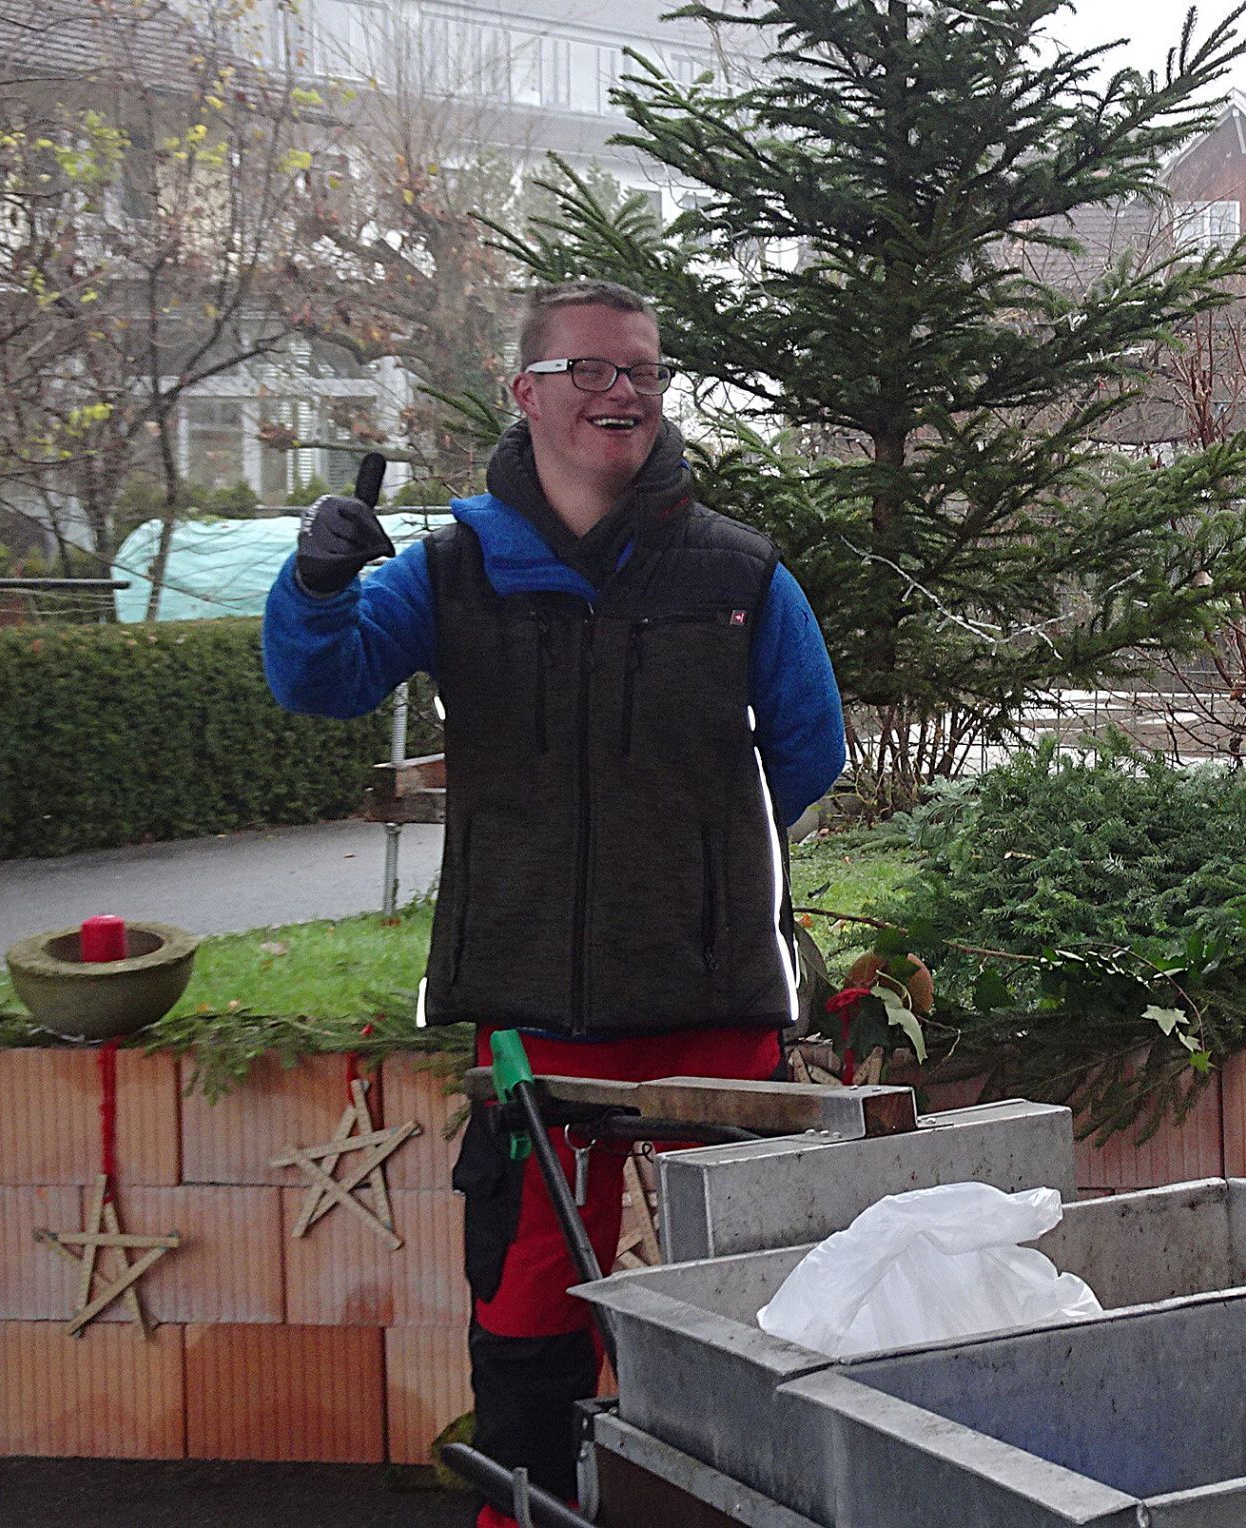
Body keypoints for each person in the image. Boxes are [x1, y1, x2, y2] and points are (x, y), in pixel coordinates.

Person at [262, 279, 845, 1523]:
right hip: (532, 1008)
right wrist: (312, 585)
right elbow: (322, 684)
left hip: (712, 995)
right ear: (525, 393)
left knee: (739, 1282)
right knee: (525, 1289)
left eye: (639, 369)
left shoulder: (740, 573)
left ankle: (746, 1498)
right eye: (587, 368)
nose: (618, 390)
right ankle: (524, 1503)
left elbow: (807, 751)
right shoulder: (451, 572)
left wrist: (693, 869)